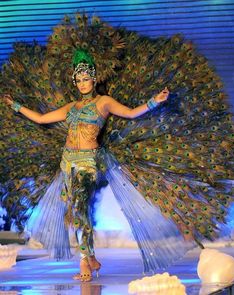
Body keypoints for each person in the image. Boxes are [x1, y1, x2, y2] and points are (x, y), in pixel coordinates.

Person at [2, 49, 169, 282]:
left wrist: (154, 101)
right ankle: (91, 256)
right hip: (67, 162)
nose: (82, 84)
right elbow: (41, 118)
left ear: (94, 78)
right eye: (78, 80)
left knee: (80, 207)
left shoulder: (104, 102)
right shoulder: (71, 107)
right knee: (78, 212)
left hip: (89, 162)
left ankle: (84, 262)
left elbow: (130, 114)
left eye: (85, 79)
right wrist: (15, 106)